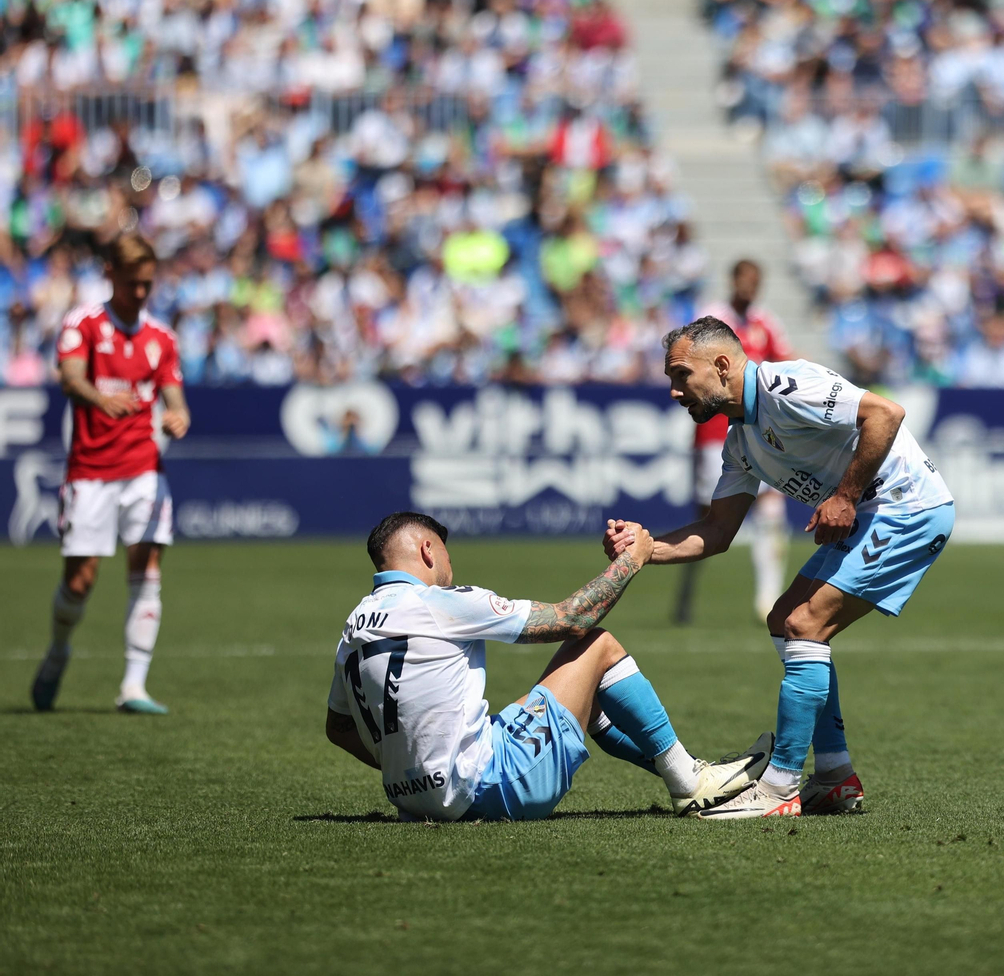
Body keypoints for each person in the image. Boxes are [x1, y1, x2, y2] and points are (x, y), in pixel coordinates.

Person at [605, 317, 955, 818]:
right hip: (871, 514)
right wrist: (643, 548)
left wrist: (845, 496)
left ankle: (780, 786)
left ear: (722, 365)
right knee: (783, 618)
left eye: (682, 375)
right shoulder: (740, 442)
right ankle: (834, 775)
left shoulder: (787, 387)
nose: (675, 392)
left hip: (907, 507)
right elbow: (717, 531)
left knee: (804, 625)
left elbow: (886, 413)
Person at [325, 512, 772, 821]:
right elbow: (572, 619)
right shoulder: (440, 601)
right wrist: (631, 560)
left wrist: (413, 770)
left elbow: (339, 728)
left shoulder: (355, 625)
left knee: (585, 687)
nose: (448, 564)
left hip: (415, 802)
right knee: (597, 647)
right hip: (488, 788)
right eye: (444, 551)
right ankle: (691, 784)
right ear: (427, 550)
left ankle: (688, 769)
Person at [31, 232, 190, 714]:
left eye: (148, 284)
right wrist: (101, 398)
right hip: (91, 472)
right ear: (110, 275)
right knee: (79, 581)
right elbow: (70, 376)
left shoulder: (161, 337)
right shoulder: (83, 322)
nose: (141, 293)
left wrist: (178, 416)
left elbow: (175, 394)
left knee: (146, 571)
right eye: (132, 283)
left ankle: (134, 686)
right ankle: (59, 650)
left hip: (144, 468)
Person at [676, 258, 795, 626]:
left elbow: (785, 365)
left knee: (771, 511)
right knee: (710, 517)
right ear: (732, 280)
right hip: (714, 434)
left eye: (755, 281)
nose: (749, 287)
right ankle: (687, 590)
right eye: (744, 280)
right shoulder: (711, 319)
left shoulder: (765, 322)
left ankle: (769, 598)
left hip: (759, 430)